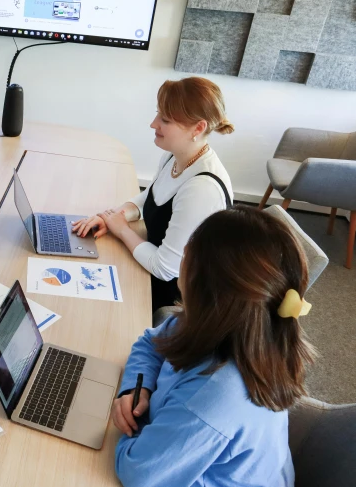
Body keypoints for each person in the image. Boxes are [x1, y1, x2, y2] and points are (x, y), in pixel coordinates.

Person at [111, 206, 316, 487]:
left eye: (189, 253)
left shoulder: (213, 397)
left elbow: (137, 473)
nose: (182, 254)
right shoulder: (228, 325)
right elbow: (151, 342)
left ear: (205, 288)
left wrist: (139, 424)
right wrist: (137, 386)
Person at [72, 77, 234, 311]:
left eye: (165, 119)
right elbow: (153, 194)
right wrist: (113, 215)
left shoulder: (202, 189)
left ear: (198, 128)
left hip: (178, 299)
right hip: (152, 268)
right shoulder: (176, 156)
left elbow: (164, 268)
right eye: (158, 114)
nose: (153, 124)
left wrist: (121, 229)